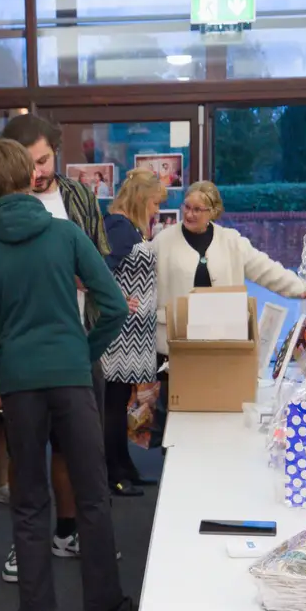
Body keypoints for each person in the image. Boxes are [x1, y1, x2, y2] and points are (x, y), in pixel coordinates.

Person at [0, 139, 135, 611]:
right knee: (92, 493)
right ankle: (106, 607)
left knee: (29, 499)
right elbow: (114, 305)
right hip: (73, 378)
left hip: (20, 388)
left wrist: (3, 364)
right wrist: (82, 351)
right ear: (32, 179)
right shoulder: (66, 234)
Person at [0, 113, 109, 583]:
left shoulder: (79, 196)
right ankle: (25, 545)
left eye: (43, 160)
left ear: (56, 153)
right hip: (21, 350)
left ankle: (68, 530)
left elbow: (101, 258)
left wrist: (87, 279)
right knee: (25, 455)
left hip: (79, 343)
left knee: (78, 451)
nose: (37, 172)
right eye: (28, 163)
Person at [152, 180, 306, 444]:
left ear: (213, 212)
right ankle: (172, 458)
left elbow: (265, 269)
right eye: (186, 207)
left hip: (221, 341)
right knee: (176, 415)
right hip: (177, 345)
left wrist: (301, 288)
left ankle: (214, 455)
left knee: (219, 409)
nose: (189, 214)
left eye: (198, 209)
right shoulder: (163, 241)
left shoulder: (231, 241)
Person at [98, 169, 164, 496]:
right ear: (140, 199)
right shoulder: (119, 228)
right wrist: (118, 299)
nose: (156, 210)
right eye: (154, 203)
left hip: (131, 335)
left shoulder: (128, 229)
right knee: (112, 404)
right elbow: (97, 271)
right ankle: (112, 473)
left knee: (120, 401)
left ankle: (123, 466)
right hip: (120, 336)